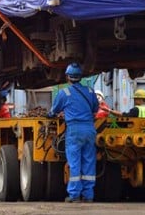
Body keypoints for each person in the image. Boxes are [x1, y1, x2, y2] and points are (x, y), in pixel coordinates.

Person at [47, 63, 98, 203]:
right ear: (81, 77)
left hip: (74, 129)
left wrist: (50, 114)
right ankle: (88, 195)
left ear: (68, 77)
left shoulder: (65, 93)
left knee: (75, 162)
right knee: (89, 161)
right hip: (89, 129)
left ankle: (74, 195)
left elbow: (54, 110)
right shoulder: (90, 91)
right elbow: (95, 108)